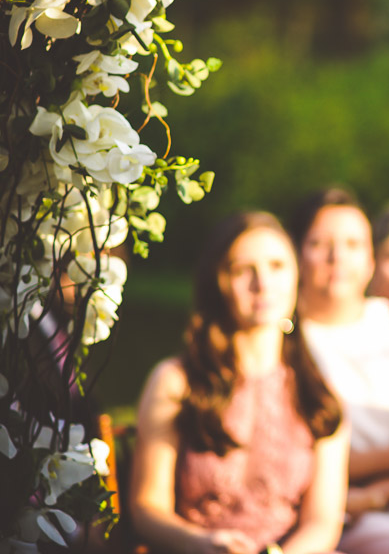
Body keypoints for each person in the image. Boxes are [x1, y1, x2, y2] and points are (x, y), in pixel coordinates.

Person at [128, 212, 349, 554]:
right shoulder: (176, 381)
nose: (262, 283)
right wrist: (198, 542)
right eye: (243, 269)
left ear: (296, 277)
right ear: (218, 282)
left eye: (277, 266)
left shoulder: (319, 395)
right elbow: (147, 506)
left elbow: (323, 521)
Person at [294, 189, 389, 554]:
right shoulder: (289, 344)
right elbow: (302, 462)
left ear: (369, 256)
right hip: (340, 514)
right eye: (320, 243)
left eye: (353, 243)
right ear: (296, 251)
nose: (337, 257)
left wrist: (375, 494)